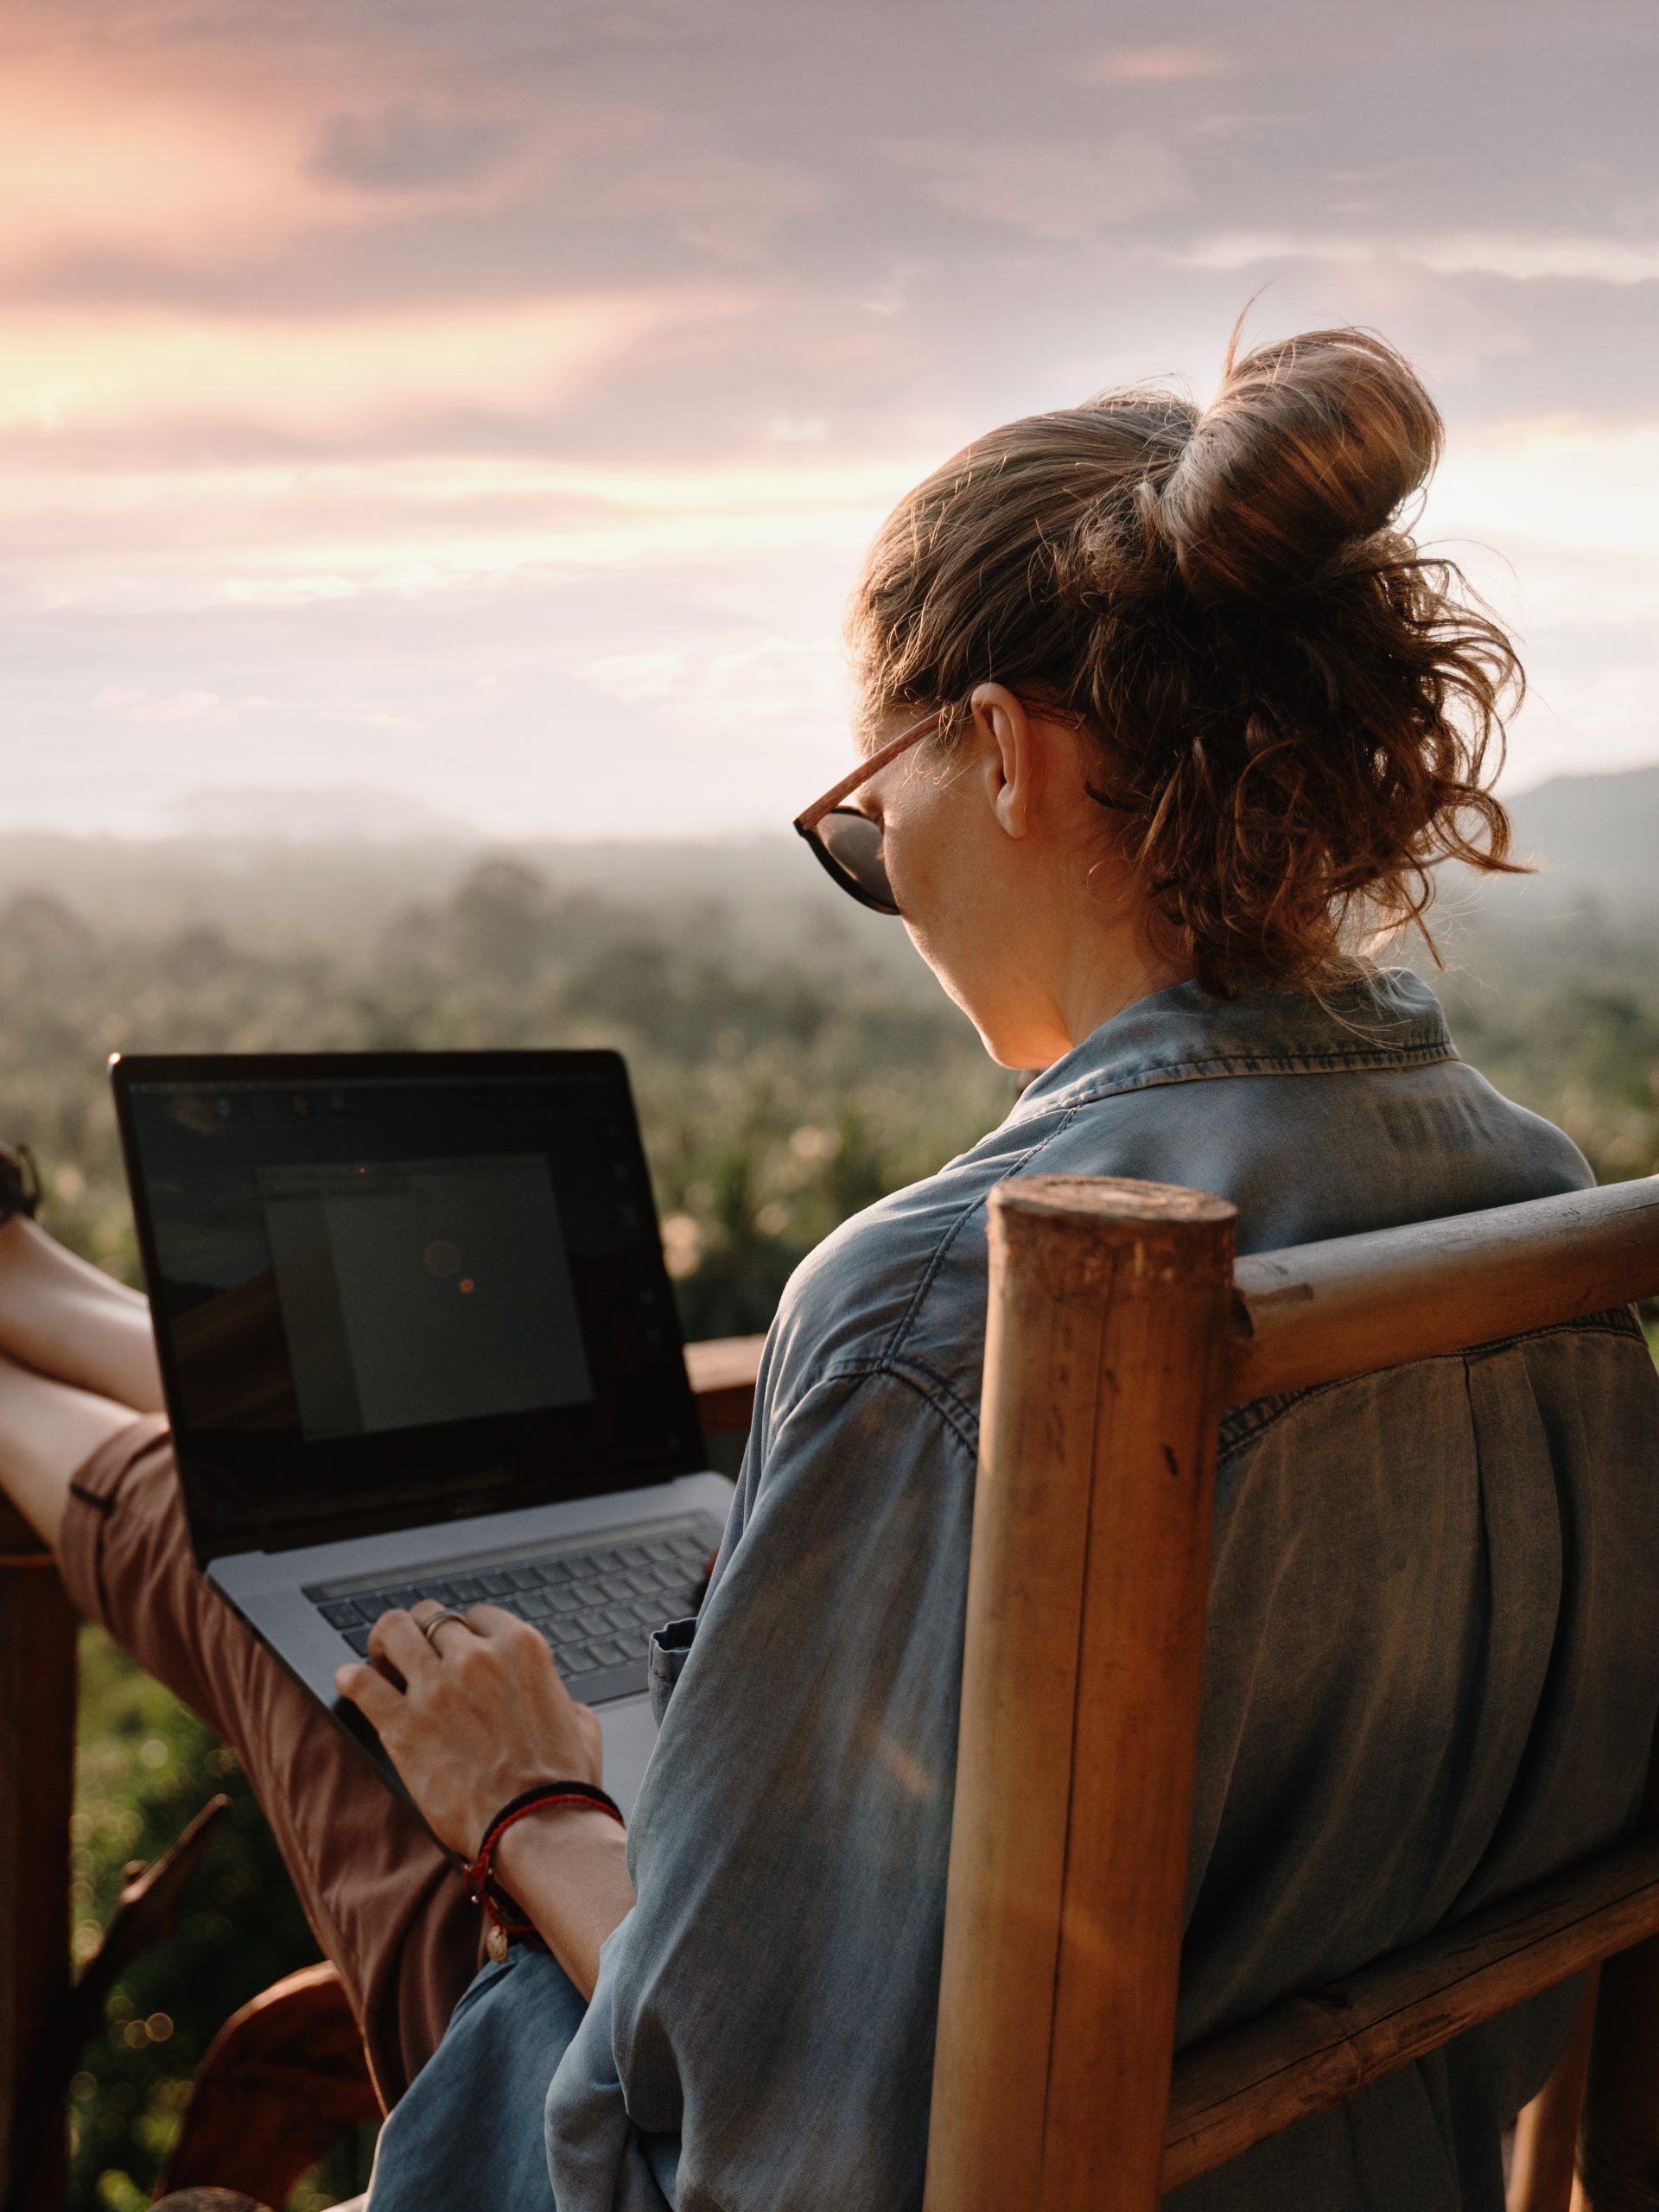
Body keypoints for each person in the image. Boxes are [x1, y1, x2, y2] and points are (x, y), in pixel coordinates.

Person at [3, 324, 1656, 2212]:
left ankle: (24, 1355)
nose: (888, 879)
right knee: (378, 1553)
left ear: (1011, 753)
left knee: (332, 1625)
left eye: (868, 823)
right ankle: (46, 1312)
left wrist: (530, 1800)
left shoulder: (949, 1301)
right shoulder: (1535, 1207)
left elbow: (761, 2143)